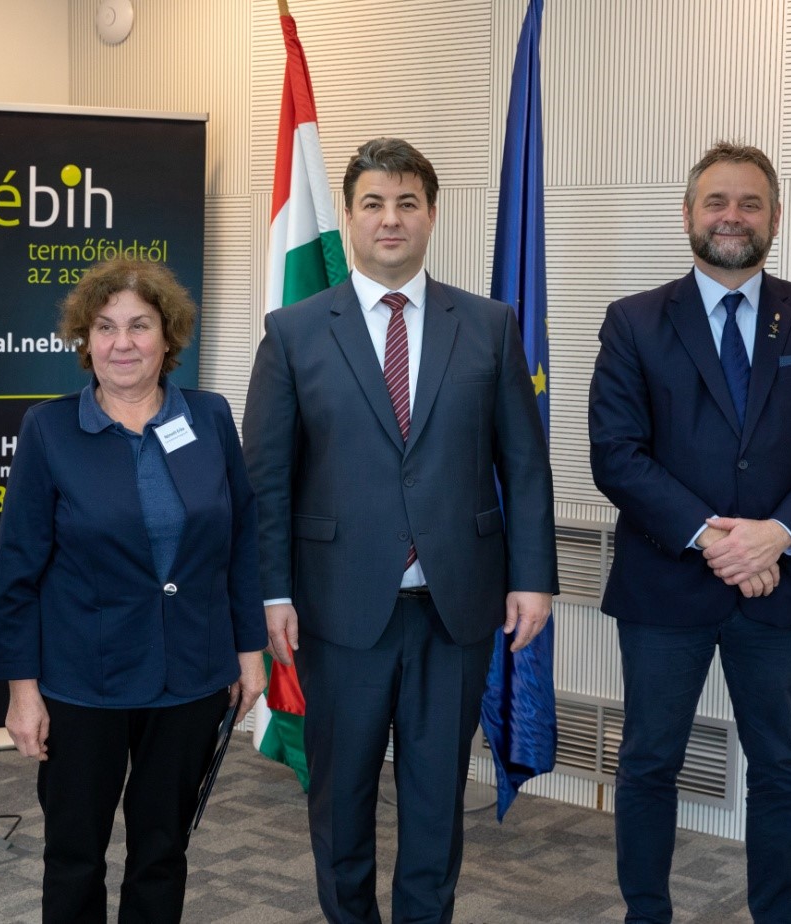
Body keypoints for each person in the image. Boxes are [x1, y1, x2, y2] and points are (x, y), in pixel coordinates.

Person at [242, 137, 558, 924]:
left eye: (407, 203)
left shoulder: (488, 325)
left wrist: (533, 577)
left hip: (456, 609)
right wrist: (270, 593)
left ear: (432, 215)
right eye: (374, 204)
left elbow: (524, 465)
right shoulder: (294, 331)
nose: (391, 219)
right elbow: (266, 480)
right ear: (349, 217)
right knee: (340, 799)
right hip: (337, 609)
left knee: (436, 803)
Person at [588, 141, 791, 924]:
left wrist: (776, 534)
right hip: (664, 585)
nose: (732, 216)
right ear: (688, 213)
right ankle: (646, 913)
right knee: (649, 763)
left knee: (780, 767)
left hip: (781, 586)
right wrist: (716, 540)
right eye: (716, 201)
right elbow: (616, 453)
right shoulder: (634, 321)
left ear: (776, 217)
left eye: (750, 203)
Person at [0, 258, 268, 923]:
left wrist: (249, 651)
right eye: (105, 327)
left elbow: (240, 540)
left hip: (190, 675)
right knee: (74, 853)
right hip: (83, 683)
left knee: (163, 849)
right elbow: (17, 569)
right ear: (85, 339)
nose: (122, 343)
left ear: (168, 336)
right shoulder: (49, 429)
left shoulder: (210, 416)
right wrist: (22, 691)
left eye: (140, 325)